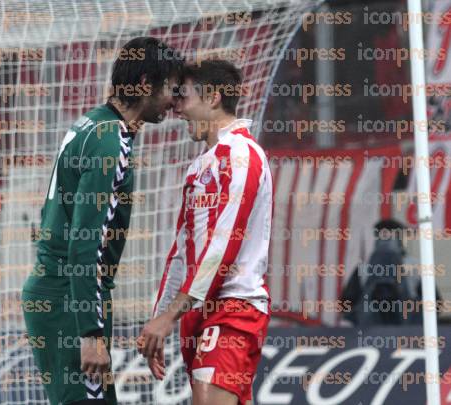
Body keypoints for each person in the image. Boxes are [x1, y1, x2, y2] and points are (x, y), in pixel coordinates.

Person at [22, 36, 184, 405]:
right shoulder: (111, 142)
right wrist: (91, 334)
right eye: (171, 89)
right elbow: (86, 243)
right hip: (69, 301)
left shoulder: (95, 123)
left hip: (59, 294)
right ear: (145, 84)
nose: (175, 101)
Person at [138, 60, 272, 405]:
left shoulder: (243, 155)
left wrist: (167, 317)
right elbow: (182, 251)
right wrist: (159, 319)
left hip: (234, 308)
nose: (176, 108)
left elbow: (223, 248)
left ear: (213, 97)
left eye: (183, 97)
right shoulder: (199, 166)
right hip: (197, 312)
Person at [341, 218, 437, 327]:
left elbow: (346, 304)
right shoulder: (415, 267)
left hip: (368, 336)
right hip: (408, 335)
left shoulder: (363, 269)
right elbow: (435, 304)